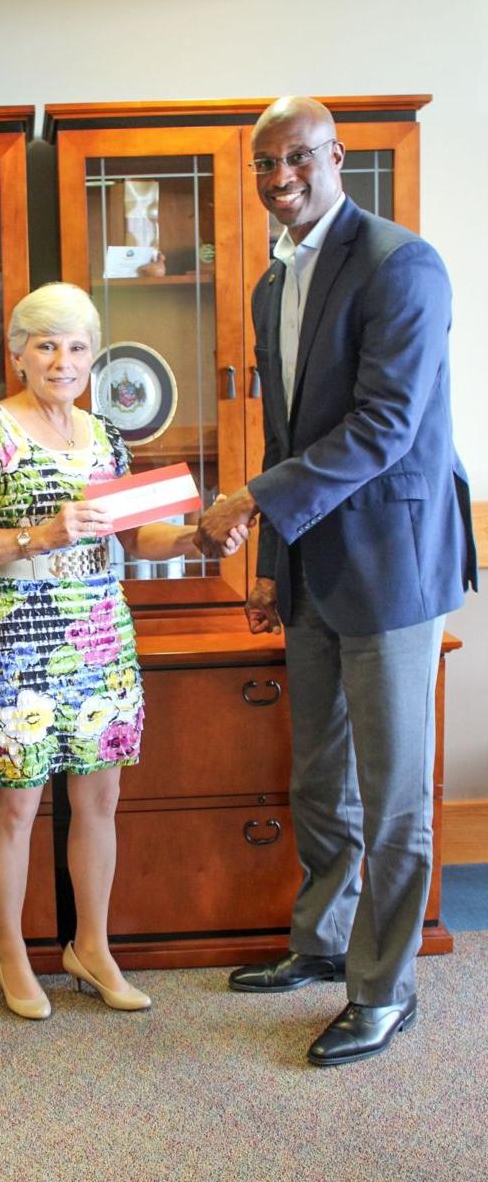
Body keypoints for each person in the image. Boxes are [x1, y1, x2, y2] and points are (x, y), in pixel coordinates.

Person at [197, 97, 477, 1066]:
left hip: (393, 565)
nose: (280, 179)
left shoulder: (403, 263)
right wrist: (272, 565)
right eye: (264, 164)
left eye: (297, 158)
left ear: (336, 155)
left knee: (392, 786)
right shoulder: (269, 287)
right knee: (317, 775)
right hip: (311, 564)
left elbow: (385, 428)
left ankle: (385, 989)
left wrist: (243, 505)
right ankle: (320, 945)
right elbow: (288, 440)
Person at [0, 282, 247, 1019]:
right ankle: (11, 951)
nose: (62, 359)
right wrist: (37, 534)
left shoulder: (106, 436)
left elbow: (139, 538)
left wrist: (201, 534)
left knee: (100, 798)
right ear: (18, 355)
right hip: (22, 639)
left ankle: (91, 947)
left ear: (93, 358)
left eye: (77, 346)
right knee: (18, 805)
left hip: (102, 634)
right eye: (45, 344)